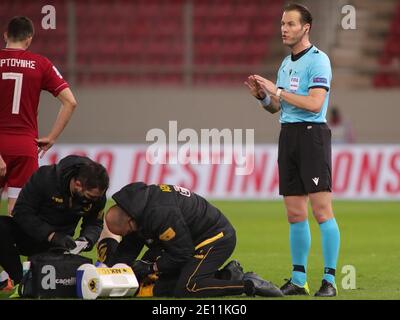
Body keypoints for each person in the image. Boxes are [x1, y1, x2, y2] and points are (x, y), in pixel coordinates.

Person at [245, 3, 340, 297]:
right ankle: (299, 280)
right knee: (295, 214)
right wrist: (263, 97)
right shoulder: (286, 64)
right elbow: (278, 108)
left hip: (312, 136)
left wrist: (279, 91)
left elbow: (313, 104)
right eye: (282, 24)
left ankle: (330, 280)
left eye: (290, 24)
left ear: (305, 28)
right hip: (288, 136)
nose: (283, 29)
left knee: (322, 211)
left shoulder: (319, 60)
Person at [96, 182, 283, 298]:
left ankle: (248, 284)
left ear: (130, 221)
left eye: (125, 232)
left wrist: (151, 267)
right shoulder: (135, 209)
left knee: (188, 288)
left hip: (215, 238)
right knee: (158, 283)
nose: (127, 236)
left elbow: (182, 254)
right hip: (185, 239)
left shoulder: (160, 214)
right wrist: (111, 273)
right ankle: (225, 276)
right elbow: (128, 249)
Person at [0, 16, 77, 217]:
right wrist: (51, 138)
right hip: (26, 146)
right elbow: (70, 102)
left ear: (6, 35)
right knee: (18, 211)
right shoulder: (41, 64)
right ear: (29, 39)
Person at [0, 155, 109, 295]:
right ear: (78, 184)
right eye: (90, 197)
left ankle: (32, 278)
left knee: (61, 287)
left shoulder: (98, 196)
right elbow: (21, 212)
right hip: (28, 234)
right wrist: (51, 235)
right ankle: (20, 280)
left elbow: (94, 223)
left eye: (97, 198)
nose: (94, 201)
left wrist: (86, 240)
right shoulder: (45, 178)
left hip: (60, 245)